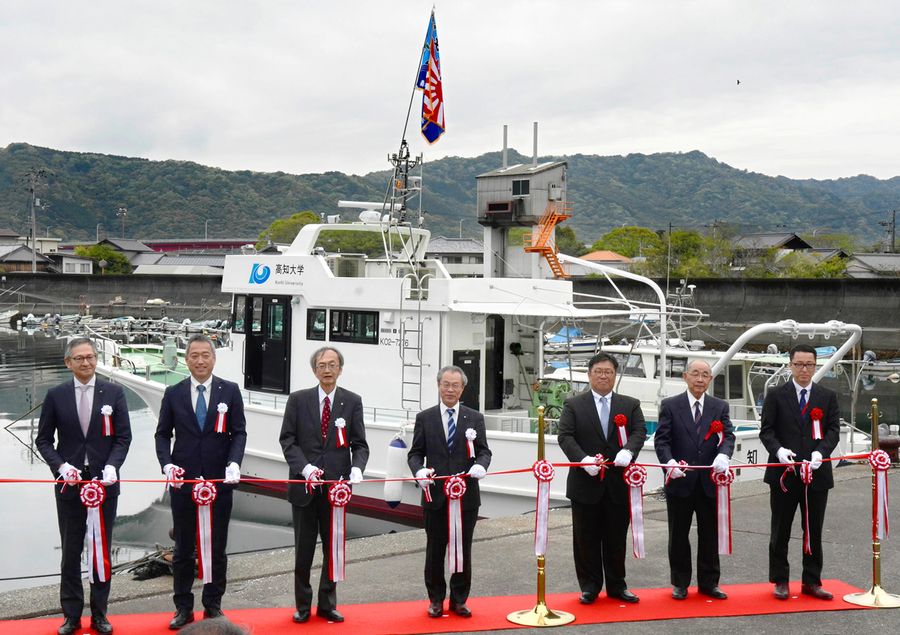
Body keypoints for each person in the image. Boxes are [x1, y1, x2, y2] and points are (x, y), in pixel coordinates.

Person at [36, 337, 132, 635]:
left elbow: (123, 438)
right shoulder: (56, 395)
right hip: (70, 487)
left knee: (101, 551)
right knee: (71, 550)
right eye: (80, 358)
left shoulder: (114, 393)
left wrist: (113, 466)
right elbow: (43, 440)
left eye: (91, 357)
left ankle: (100, 614)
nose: (87, 362)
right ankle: (72, 616)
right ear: (69, 363)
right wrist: (61, 466)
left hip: (105, 485)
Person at [155, 335, 247, 630]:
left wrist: (234, 463)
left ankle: (213, 604)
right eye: (194, 355)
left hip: (219, 482)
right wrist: (166, 463)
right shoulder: (173, 393)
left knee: (217, 547)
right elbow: (161, 435)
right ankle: (183, 607)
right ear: (186, 359)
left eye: (205, 355)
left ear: (213, 358)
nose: (199, 360)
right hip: (184, 482)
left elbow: (239, 433)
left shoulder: (230, 391)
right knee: (183, 548)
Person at [279, 346, 369, 624]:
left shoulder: (352, 402)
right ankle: (303, 605)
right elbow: (288, 440)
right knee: (303, 550)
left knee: (333, 549)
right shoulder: (298, 400)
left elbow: (360, 444)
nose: (327, 369)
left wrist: (357, 468)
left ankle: (327, 604)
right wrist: (304, 468)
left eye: (332, 364)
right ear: (314, 370)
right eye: (322, 365)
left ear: (340, 369)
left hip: (336, 490)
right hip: (304, 489)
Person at [557, 352, 647, 604]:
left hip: (618, 484)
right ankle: (589, 586)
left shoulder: (630, 404)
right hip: (585, 484)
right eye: (598, 371)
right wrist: (583, 460)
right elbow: (565, 436)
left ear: (615, 375)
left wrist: (629, 450)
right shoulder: (574, 405)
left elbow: (640, 431)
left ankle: (618, 586)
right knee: (585, 538)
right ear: (590, 374)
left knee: (616, 538)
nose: (604, 375)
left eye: (608, 371)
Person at [407, 365, 492, 618]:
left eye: (455, 385)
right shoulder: (425, 417)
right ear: (438, 385)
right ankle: (435, 599)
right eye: (446, 384)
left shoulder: (474, 418)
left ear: (462, 388)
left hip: (466, 497)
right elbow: (415, 453)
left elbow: (484, 450)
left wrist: (480, 465)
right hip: (435, 497)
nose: (450, 389)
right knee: (435, 549)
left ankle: (459, 600)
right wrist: (418, 472)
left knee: (463, 549)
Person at [759, 343, 840, 601]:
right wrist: (779, 451)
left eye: (809, 365)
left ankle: (812, 581)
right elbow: (767, 430)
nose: (804, 369)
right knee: (780, 528)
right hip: (784, 474)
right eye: (799, 364)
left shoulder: (827, 396)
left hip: (816, 474)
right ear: (790, 365)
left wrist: (821, 453)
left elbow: (833, 431)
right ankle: (780, 580)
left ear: (815, 366)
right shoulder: (775, 395)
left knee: (813, 529)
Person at [654, 359, 735, 600]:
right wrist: (669, 465)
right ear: (685, 376)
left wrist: (724, 455)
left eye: (705, 375)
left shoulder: (719, 406)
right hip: (681, 481)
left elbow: (728, 436)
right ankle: (680, 583)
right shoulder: (670, 405)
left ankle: (709, 583)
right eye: (696, 374)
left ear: (710, 379)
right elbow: (662, 440)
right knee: (678, 534)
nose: (700, 379)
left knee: (710, 534)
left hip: (710, 481)